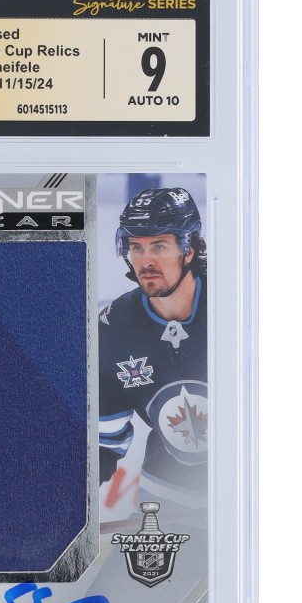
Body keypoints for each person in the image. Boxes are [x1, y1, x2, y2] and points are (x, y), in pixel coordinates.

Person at [99, 187, 208, 499]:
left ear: (189, 250)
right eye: (136, 248)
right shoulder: (114, 326)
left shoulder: (240, 305)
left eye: (159, 247)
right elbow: (104, 441)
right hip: (163, 496)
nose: (145, 261)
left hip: (245, 491)